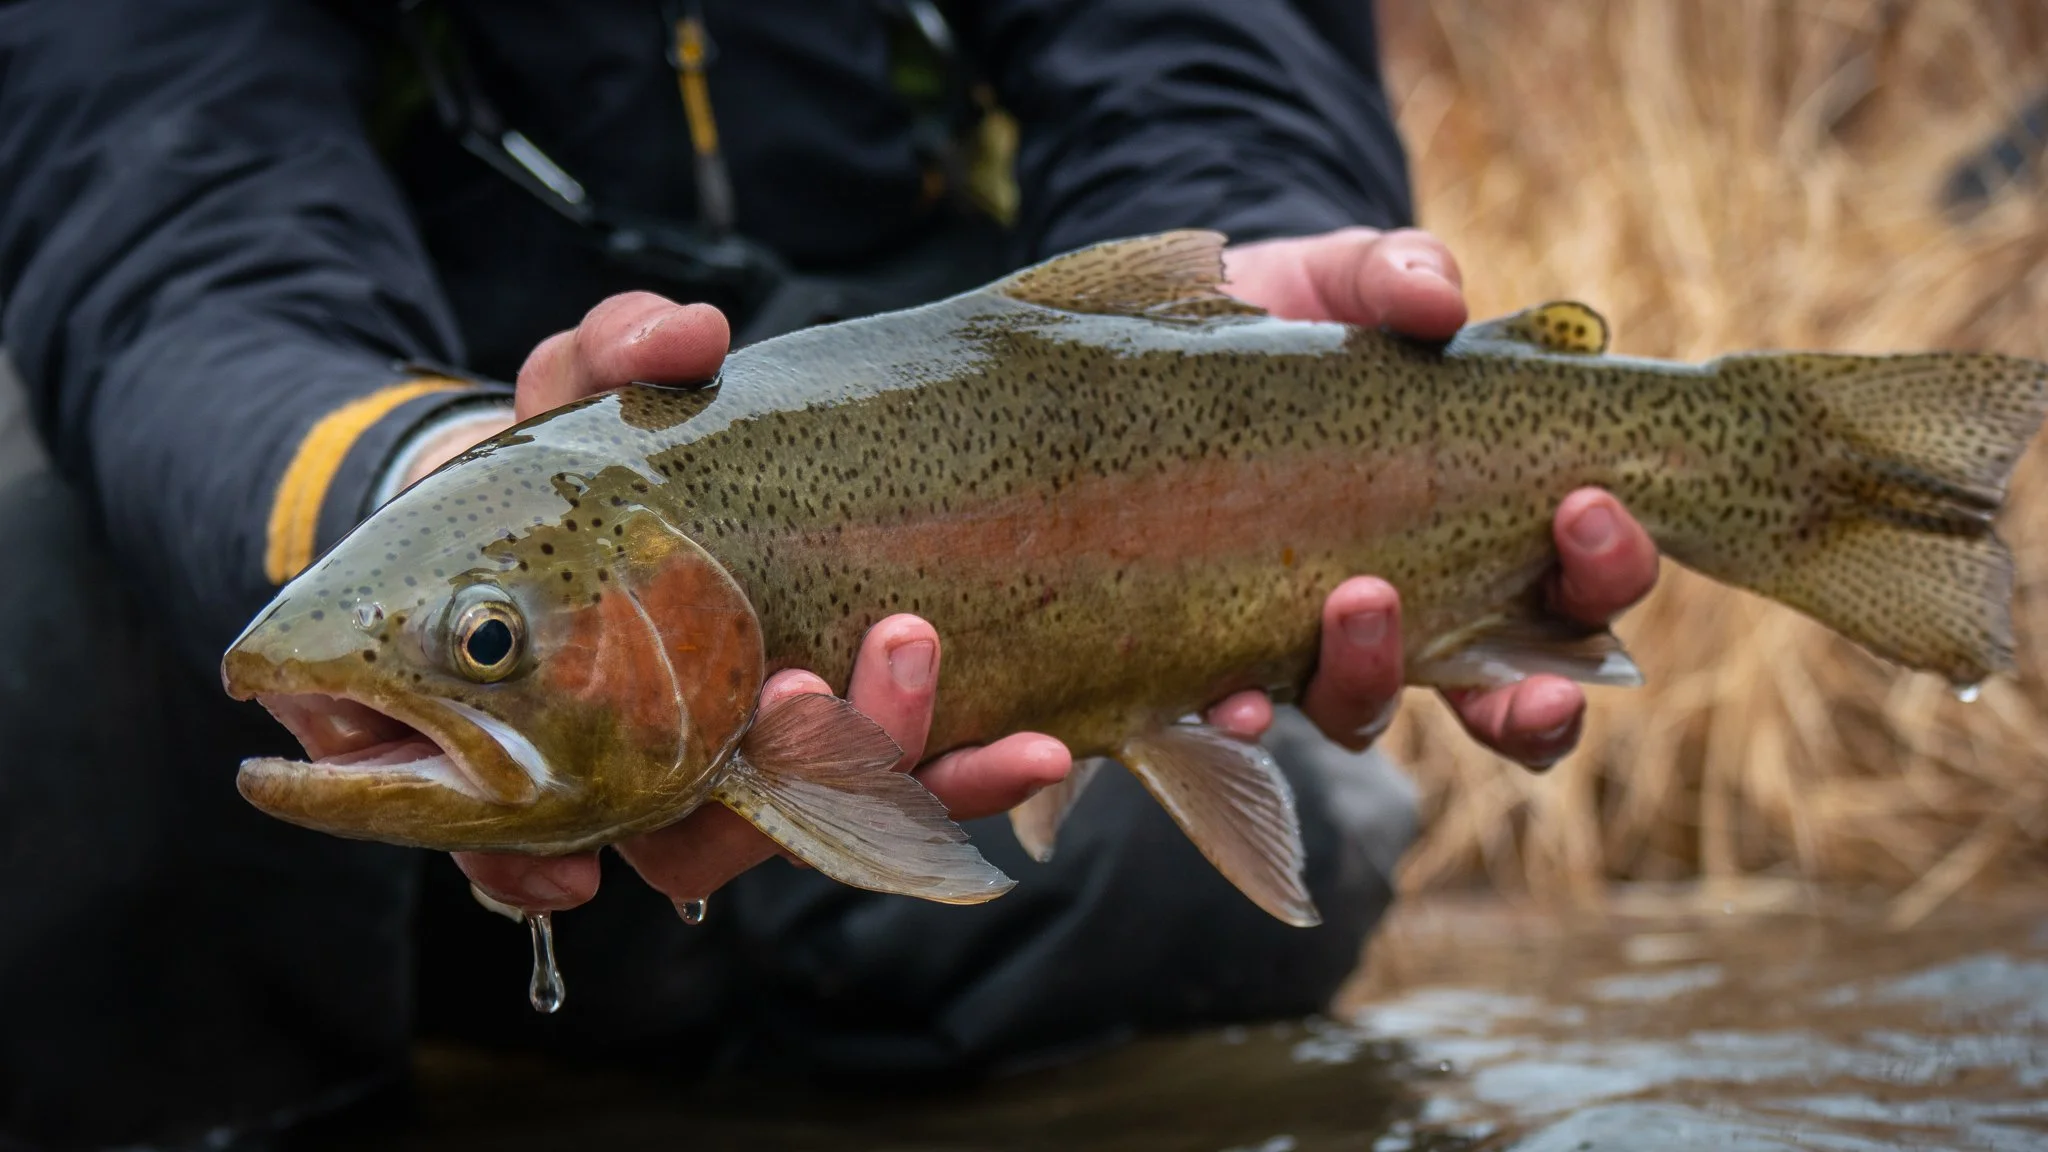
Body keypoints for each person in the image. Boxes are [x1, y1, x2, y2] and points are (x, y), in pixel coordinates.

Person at [0, 1, 1661, 1147]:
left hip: (956, 454)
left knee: (1277, 801)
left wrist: (1238, 343)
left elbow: (1195, 57)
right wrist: (407, 490)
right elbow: (170, 208)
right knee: (68, 632)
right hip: (405, 429)